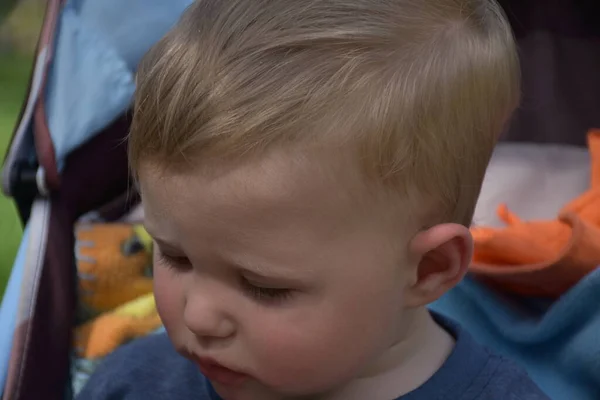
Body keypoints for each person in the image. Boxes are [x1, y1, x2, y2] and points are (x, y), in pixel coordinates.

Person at [77, 0, 550, 399]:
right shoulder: (134, 386)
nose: (197, 315)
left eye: (263, 286)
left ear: (429, 269)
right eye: (176, 256)